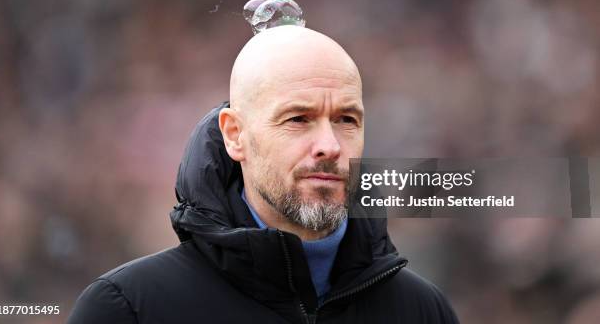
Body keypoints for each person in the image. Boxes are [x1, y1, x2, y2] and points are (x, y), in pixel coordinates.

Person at [68, 25, 459, 323]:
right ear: (235, 135)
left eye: (346, 119)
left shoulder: (423, 311)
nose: (330, 145)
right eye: (298, 119)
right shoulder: (129, 309)